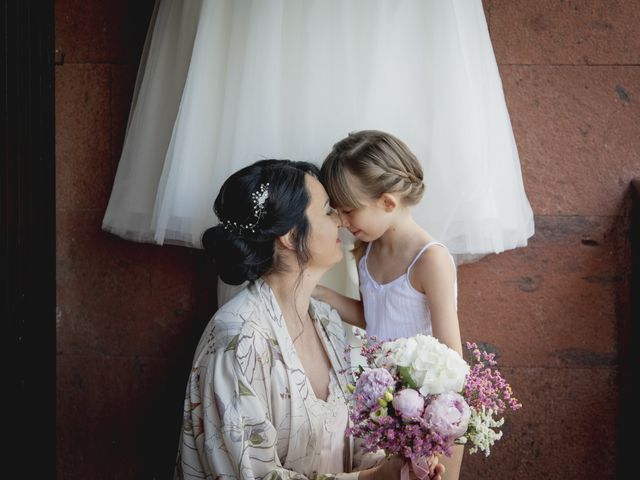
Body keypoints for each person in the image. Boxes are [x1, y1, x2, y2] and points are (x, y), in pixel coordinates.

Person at [174, 159, 444, 480]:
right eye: (328, 210)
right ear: (289, 235)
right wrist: (373, 479)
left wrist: (397, 466)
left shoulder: (327, 321)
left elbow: (354, 434)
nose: (341, 222)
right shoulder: (237, 338)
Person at [314, 130, 464, 479]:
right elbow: (374, 317)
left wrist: (430, 426)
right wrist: (324, 295)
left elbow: (451, 357)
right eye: (336, 212)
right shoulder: (368, 250)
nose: (342, 222)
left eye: (349, 211)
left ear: (388, 202)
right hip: (380, 406)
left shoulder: (429, 260)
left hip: (427, 413)